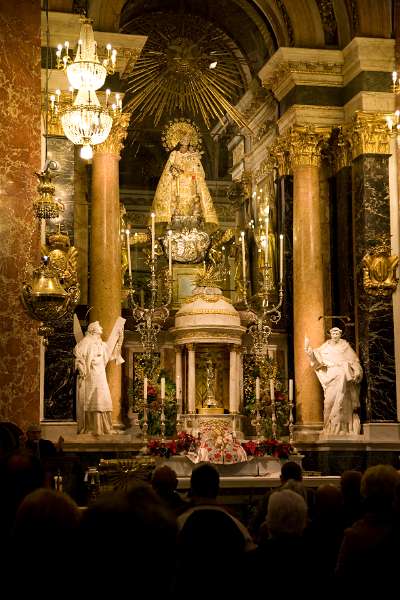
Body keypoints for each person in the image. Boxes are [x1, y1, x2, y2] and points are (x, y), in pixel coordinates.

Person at [151, 123, 218, 229]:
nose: (185, 140)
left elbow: (201, 173)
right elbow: (167, 172)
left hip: (191, 185)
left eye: (188, 138)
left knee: (193, 206)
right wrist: (174, 171)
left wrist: (195, 164)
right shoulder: (174, 154)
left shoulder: (194, 155)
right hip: (177, 186)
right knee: (177, 206)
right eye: (183, 138)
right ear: (179, 140)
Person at [305, 327, 363, 435]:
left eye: (337, 333)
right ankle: (328, 426)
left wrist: (356, 370)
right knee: (328, 402)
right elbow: (316, 357)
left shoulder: (345, 347)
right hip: (331, 376)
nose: (335, 335)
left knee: (344, 403)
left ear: (340, 334)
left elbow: (354, 361)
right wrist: (310, 352)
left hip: (343, 376)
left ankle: (343, 428)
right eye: (333, 333)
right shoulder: (325, 347)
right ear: (330, 335)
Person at [74, 318, 125, 435]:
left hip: (100, 373)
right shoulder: (86, 342)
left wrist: (119, 337)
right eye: (99, 327)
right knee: (93, 398)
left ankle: (104, 427)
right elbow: (78, 355)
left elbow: (109, 352)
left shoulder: (101, 344)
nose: (101, 328)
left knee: (103, 397)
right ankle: (93, 428)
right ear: (93, 330)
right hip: (91, 375)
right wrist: (81, 367)